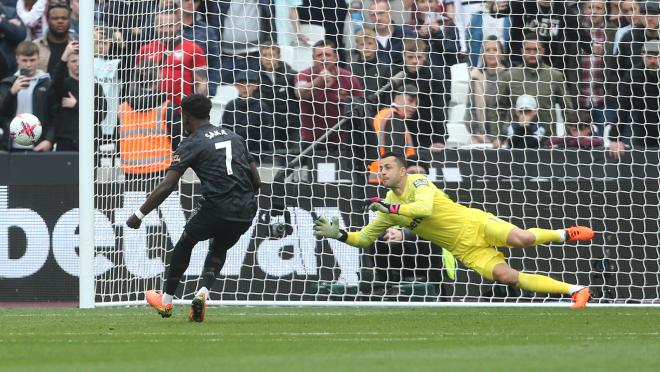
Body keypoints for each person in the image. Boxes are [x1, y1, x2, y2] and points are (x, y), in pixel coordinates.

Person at [314, 152, 594, 308]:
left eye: (388, 167)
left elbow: (423, 209)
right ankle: (576, 290)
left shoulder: (418, 181)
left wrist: (392, 211)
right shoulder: (386, 207)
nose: (383, 172)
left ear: (402, 172)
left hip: (475, 223)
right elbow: (363, 239)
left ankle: (564, 233)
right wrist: (338, 234)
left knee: (521, 238)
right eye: (380, 169)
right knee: (506, 276)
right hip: (465, 249)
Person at [126, 94, 261, 322]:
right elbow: (256, 180)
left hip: (216, 206)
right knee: (219, 247)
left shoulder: (192, 142)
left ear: (185, 116)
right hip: (246, 210)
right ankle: (202, 294)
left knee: (186, 241)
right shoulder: (235, 137)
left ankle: (166, 301)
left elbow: (168, 185)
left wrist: (139, 214)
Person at [497, 33, 576, 136]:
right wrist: (497, 137)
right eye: (528, 50)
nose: (532, 53)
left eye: (536, 50)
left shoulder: (555, 76)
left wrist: (569, 136)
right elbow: (499, 108)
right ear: (522, 51)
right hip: (517, 141)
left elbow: (567, 109)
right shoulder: (509, 76)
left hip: (548, 142)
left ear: (542, 51)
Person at [294, 40, 363, 149]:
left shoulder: (349, 78)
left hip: (342, 142)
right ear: (313, 58)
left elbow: (361, 106)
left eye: (328, 55)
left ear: (335, 57)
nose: (323, 58)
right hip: (311, 142)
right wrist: (319, 81)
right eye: (319, 55)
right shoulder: (304, 75)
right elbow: (300, 92)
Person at [42, 40, 106, 151]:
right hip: (66, 140)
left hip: (89, 141)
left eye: (81, 60)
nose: (77, 64)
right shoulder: (63, 85)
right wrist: (65, 54)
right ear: (67, 63)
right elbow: (56, 78)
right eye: (73, 61)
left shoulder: (96, 87)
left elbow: (100, 115)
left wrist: (77, 105)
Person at [136, 7, 207, 106]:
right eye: (161, 26)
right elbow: (138, 82)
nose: (165, 30)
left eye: (170, 26)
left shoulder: (193, 48)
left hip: (181, 109)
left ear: (178, 26)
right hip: (152, 110)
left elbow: (202, 82)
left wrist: (197, 108)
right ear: (155, 27)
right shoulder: (145, 50)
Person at [611, 40, 660, 155]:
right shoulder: (633, 75)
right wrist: (614, 139)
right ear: (642, 56)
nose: (653, 61)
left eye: (657, 56)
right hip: (643, 128)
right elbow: (623, 107)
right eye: (649, 57)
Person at [0, 41, 49, 151]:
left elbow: (54, 115)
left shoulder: (47, 83)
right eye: (24, 60)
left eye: (32, 60)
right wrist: (12, 92)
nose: (28, 65)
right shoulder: (8, 83)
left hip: (39, 145)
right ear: (17, 59)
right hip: (11, 145)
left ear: (38, 59)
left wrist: (49, 139)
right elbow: (2, 113)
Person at [257, 41, 299, 151]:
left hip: (292, 125)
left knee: (295, 155)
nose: (268, 59)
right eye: (264, 55)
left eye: (271, 55)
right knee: (276, 159)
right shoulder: (256, 78)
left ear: (278, 57)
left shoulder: (291, 75)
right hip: (271, 127)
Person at [467, 35, 508, 146]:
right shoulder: (476, 76)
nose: (491, 53)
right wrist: (477, 133)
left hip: (505, 138)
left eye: (495, 49)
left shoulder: (510, 76)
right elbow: (470, 110)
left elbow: (512, 111)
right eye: (487, 50)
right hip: (480, 137)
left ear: (502, 54)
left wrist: (500, 136)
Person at [222, 70, 275, 154]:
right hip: (234, 151)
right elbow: (224, 129)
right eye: (241, 84)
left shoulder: (262, 107)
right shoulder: (231, 106)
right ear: (236, 86)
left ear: (255, 86)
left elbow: (267, 133)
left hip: (257, 152)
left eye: (249, 84)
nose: (245, 87)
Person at [34, 2, 77, 73]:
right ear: (48, 20)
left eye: (64, 18)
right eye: (55, 18)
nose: (60, 21)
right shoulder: (36, 46)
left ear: (69, 20)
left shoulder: (78, 46)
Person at [0, 2, 27, 80]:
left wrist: (2, 21)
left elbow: (20, 34)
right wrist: (8, 25)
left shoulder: (9, 12)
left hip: (6, 69)